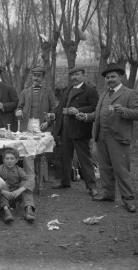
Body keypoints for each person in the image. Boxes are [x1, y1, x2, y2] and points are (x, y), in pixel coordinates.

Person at [78, 63, 138, 212]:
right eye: (107, 77)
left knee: (121, 170)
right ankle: (108, 194)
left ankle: (129, 200)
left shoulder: (130, 94)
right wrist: (86, 116)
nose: (110, 79)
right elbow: (98, 114)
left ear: (121, 77)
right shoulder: (105, 93)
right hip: (102, 137)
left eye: (113, 77)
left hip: (119, 139)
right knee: (104, 168)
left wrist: (124, 111)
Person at [52, 67, 99, 196]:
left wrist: (78, 110)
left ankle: (92, 186)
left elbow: (95, 108)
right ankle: (65, 181)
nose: (74, 77)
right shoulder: (68, 90)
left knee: (85, 159)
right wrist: (53, 115)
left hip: (80, 128)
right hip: (65, 128)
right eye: (72, 75)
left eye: (77, 74)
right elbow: (61, 107)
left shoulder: (90, 90)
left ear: (84, 75)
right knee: (65, 157)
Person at [15, 66, 56, 180]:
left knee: (40, 151)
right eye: (35, 76)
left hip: (42, 124)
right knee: (28, 150)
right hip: (27, 124)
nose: (36, 78)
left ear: (42, 78)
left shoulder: (48, 92)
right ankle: (30, 176)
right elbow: (19, 107)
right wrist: (18, 111)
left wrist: (48, 122)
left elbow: (53, 110)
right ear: (31, 77)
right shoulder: (25, 91)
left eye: (39, 76)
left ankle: (39, 176)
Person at [0, 149, 36, 223]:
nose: (9, 161)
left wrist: (20, 190)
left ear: (16, 160)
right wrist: (3, 191)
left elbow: (29, 181)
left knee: (26, 185)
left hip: (16, 194)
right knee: (1, 183)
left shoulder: (19, 170)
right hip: (4, 195)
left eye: (12, 158)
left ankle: (29, 209)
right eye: (7, 158)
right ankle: (6, 211)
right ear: (3, 160)